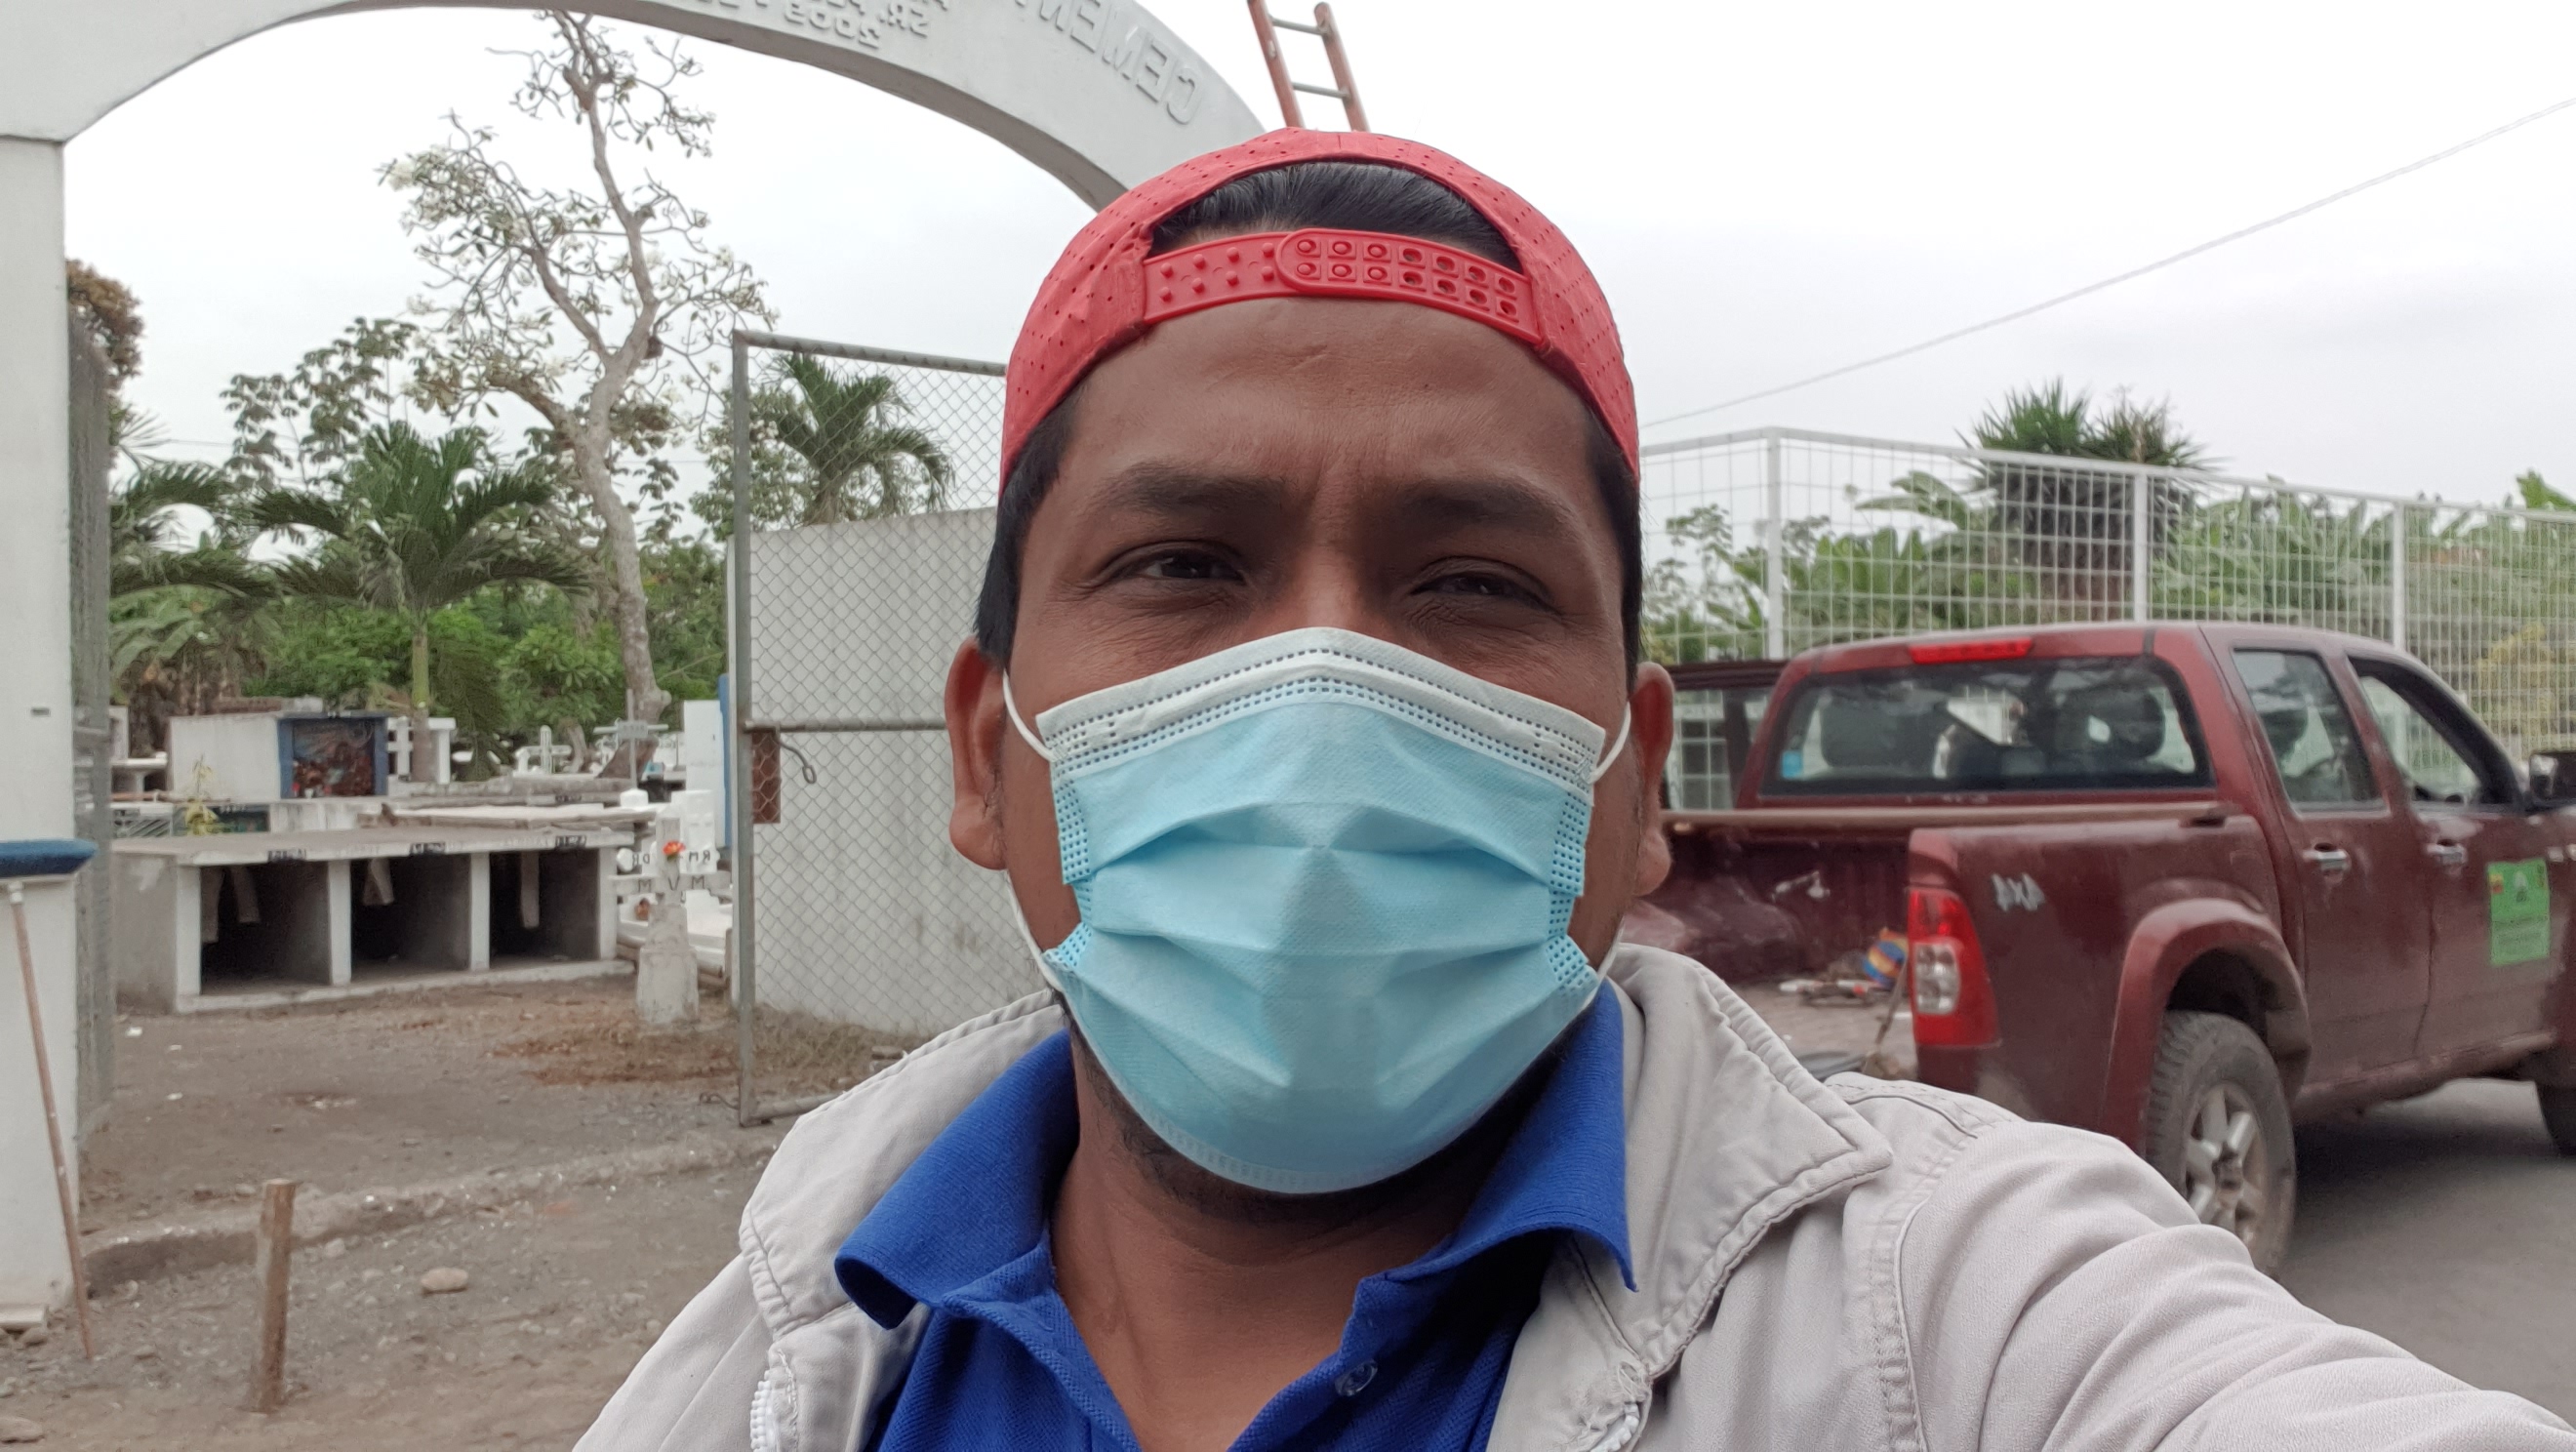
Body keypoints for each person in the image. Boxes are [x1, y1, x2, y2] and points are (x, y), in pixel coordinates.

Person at [578, 130, 2574, 1452]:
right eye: (1185, 566)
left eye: (1473, 584)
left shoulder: (1965, 1313)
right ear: (982, 754)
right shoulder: (793, 1333)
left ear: (1637, 785)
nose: (1328, 688)